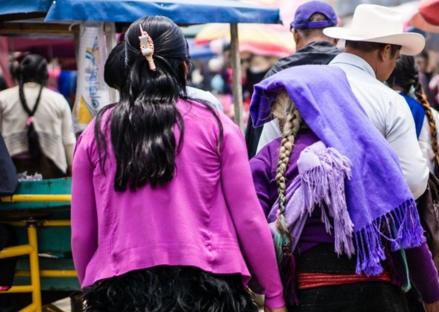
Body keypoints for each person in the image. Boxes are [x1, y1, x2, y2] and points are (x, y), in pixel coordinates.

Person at [71, 16, 285, 312]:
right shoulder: (217, 126)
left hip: (121, 291)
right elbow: (249, 220)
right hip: (209, 291)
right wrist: (274, 295)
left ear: (127, 66)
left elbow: (82, 233)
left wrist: (91, 287)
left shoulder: (96, 132)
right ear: (184, 67)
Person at [255, 4, 439, 311]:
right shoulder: (372, 154)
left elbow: (250, 223)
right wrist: (433, 296)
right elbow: (407, 223)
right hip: (376, 291)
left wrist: (270, 295)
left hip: (307, 295)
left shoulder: (272, 155)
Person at [259, 4, 430, 199]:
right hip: (365, 225)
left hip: (294, 223)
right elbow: (413, 181)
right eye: (395, 59)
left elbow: (264, 162)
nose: (393, 67)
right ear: (386, 51)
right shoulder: (391, 102)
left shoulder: (293, 86)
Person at [388, 57, 439, 312]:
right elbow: (438, 167)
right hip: (427, 209)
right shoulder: (432, 116)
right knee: (437, 274)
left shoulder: (385, 106)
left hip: (392, 209)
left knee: (404, 278)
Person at [246, 1, 340, 157]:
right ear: (336, 37)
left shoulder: (277, 75)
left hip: (285, 174)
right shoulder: (348, 69)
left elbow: (256, 140)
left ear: (296, 35)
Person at [0, 54, 75, 178]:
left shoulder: (3, 98)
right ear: (45, 75)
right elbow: (69, 141)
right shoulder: (58, 100)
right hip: (52, 170)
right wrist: (72, 168)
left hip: (10, 171)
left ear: (20, 75)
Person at [104, 41, 223, 111]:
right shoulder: (206, 103)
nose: (124, 97)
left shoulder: (204, 104)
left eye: (126, 89)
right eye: (120, 90)